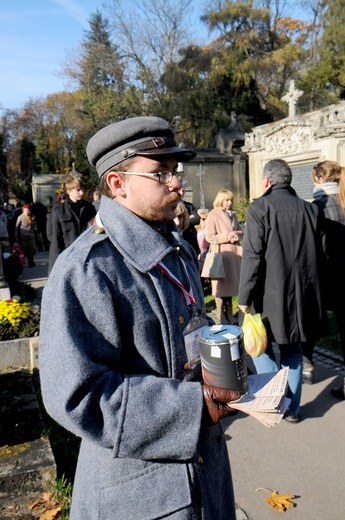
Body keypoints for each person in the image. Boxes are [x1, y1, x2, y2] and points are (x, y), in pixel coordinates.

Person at [39, 116, 241, 520]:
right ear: (118, 184)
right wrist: (191, 405)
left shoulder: (178, 249)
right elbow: (77, 395)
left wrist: (225, 366)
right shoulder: (86, 268)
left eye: (174, 171)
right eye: (159, 173)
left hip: (207, 474)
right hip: (140, 494)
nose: (176, 182)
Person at [238, 159, 326, 423]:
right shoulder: (310, 210)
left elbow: (252, 256)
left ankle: (276, 399)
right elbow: (321, 255)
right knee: (293, 350)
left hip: (268, 294)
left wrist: (244, 297)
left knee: (261, 349)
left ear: (267, 181)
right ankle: (293, 408)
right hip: (303, 292)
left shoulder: (259, 208)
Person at [303, 161, 345, 397]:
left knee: (311, 319)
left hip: (322, 274)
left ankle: (307, 364)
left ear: (318, 179)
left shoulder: (316, 206)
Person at [205, 189, 243, 325]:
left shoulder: (234, 215)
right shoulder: (213, 214)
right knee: (221, 288)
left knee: (231, 287)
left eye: (231, 200)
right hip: (221, 255)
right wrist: (226, 236)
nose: (229, 203)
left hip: (233, 255)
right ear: (220, 200)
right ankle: (221, 315)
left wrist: (236, 235)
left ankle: (230, 314)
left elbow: (240, 231)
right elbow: (209, 236)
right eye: (226, 200)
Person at [47, 178, 96, 273]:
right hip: (67, 257)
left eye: (82, 189)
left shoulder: (90, 208)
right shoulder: (58, 211)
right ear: (69, 191)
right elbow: (56, 240)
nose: (81, 193)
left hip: (87, 256)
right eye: (78, 190)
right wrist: (54, 269)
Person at [180, 187, 201, 255]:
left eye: (183, 191)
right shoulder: (172, 206)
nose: (181, 193)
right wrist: (189, 218)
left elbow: (197, 219)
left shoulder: (189, 206)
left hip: (191, 240)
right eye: (179, 191)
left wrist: (185, 220)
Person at [195, 208, 209, 273]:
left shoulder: (208, 231)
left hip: (206, 256)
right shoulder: (194, 231)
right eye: (203, 219)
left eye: (206, 219)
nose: (205, 221)